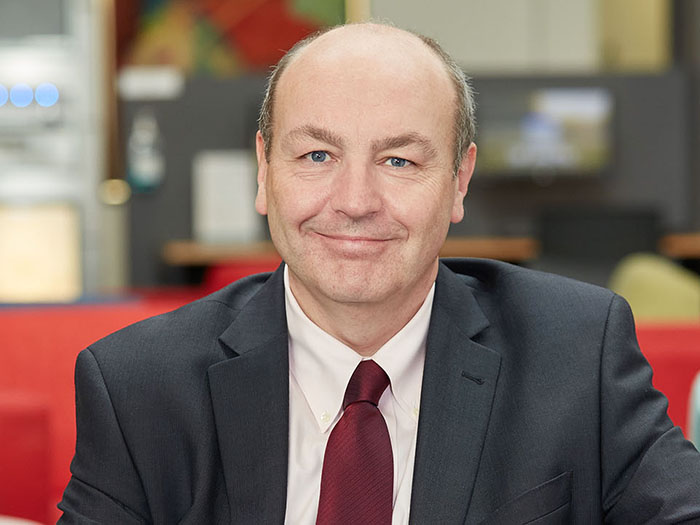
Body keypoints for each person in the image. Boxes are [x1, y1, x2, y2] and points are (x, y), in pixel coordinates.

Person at [58, 23, 700, 524]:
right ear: (264, 171)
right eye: (316, 154)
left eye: (398, 161)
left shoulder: (577, 352)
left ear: (458, 181)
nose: (356, 200)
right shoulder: (137, 387)